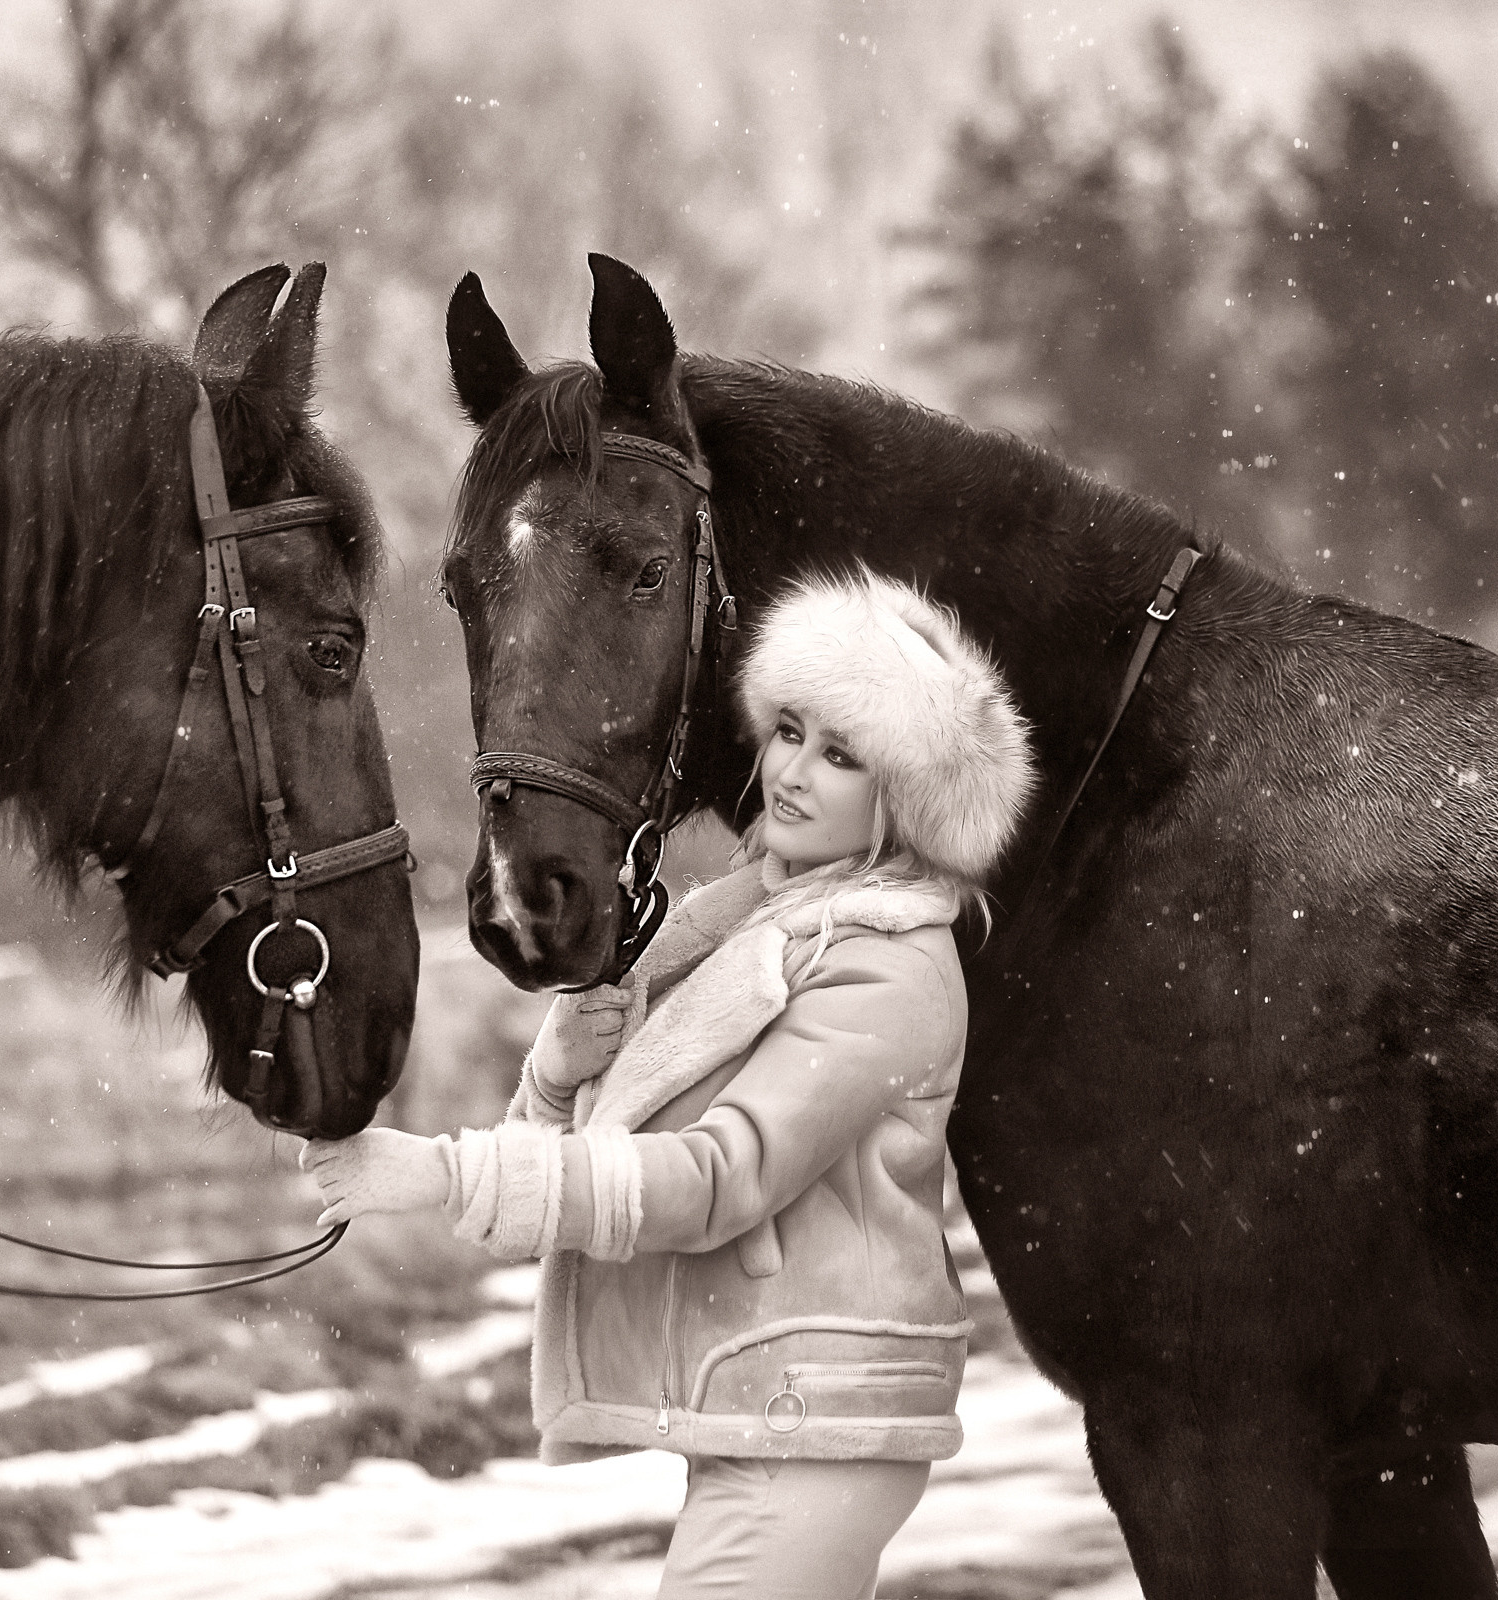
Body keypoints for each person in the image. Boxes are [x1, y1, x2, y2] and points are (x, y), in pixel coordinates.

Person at [302, 568, 1034, 1600]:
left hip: (816, 1426)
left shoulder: (888, 967)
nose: (792, 772)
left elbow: (712, 1178)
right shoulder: (745, 927)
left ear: (901, 796)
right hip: (770, 1410)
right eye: (790, 731)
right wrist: (557, 1080)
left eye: (841, 755)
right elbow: (577, 1186)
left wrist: (436, 1173)